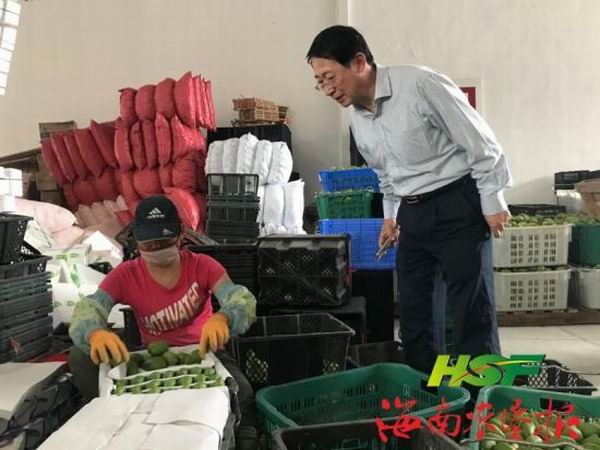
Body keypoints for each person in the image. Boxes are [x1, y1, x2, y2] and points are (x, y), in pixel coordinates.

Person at [306, 25, 512, 374]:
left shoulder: (420, 85)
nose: (327, 89)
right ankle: (430, 393)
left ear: (359, 62)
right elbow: (386, 174)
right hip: (412, 215)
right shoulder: (358, 119)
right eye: (319, 82)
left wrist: (492, 199)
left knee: (471, 314)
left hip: (457, 204)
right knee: (416, 316)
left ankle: (481, 397)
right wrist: (391, 216)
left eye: (329, 77)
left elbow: (481, 143)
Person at [68, 195, 259, 450]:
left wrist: (225, 317)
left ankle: (245, 437)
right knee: (80, 355)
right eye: (150, 244)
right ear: (137, 240)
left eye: (165, 241)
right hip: (151, 357)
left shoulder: (202, 266)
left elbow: (239, 297)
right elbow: (90, 307)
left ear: (181, 234)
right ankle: (108, 419)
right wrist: (94, 333)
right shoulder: (126, 274)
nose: (157, 248)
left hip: (205, 352)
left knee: (242, 392)